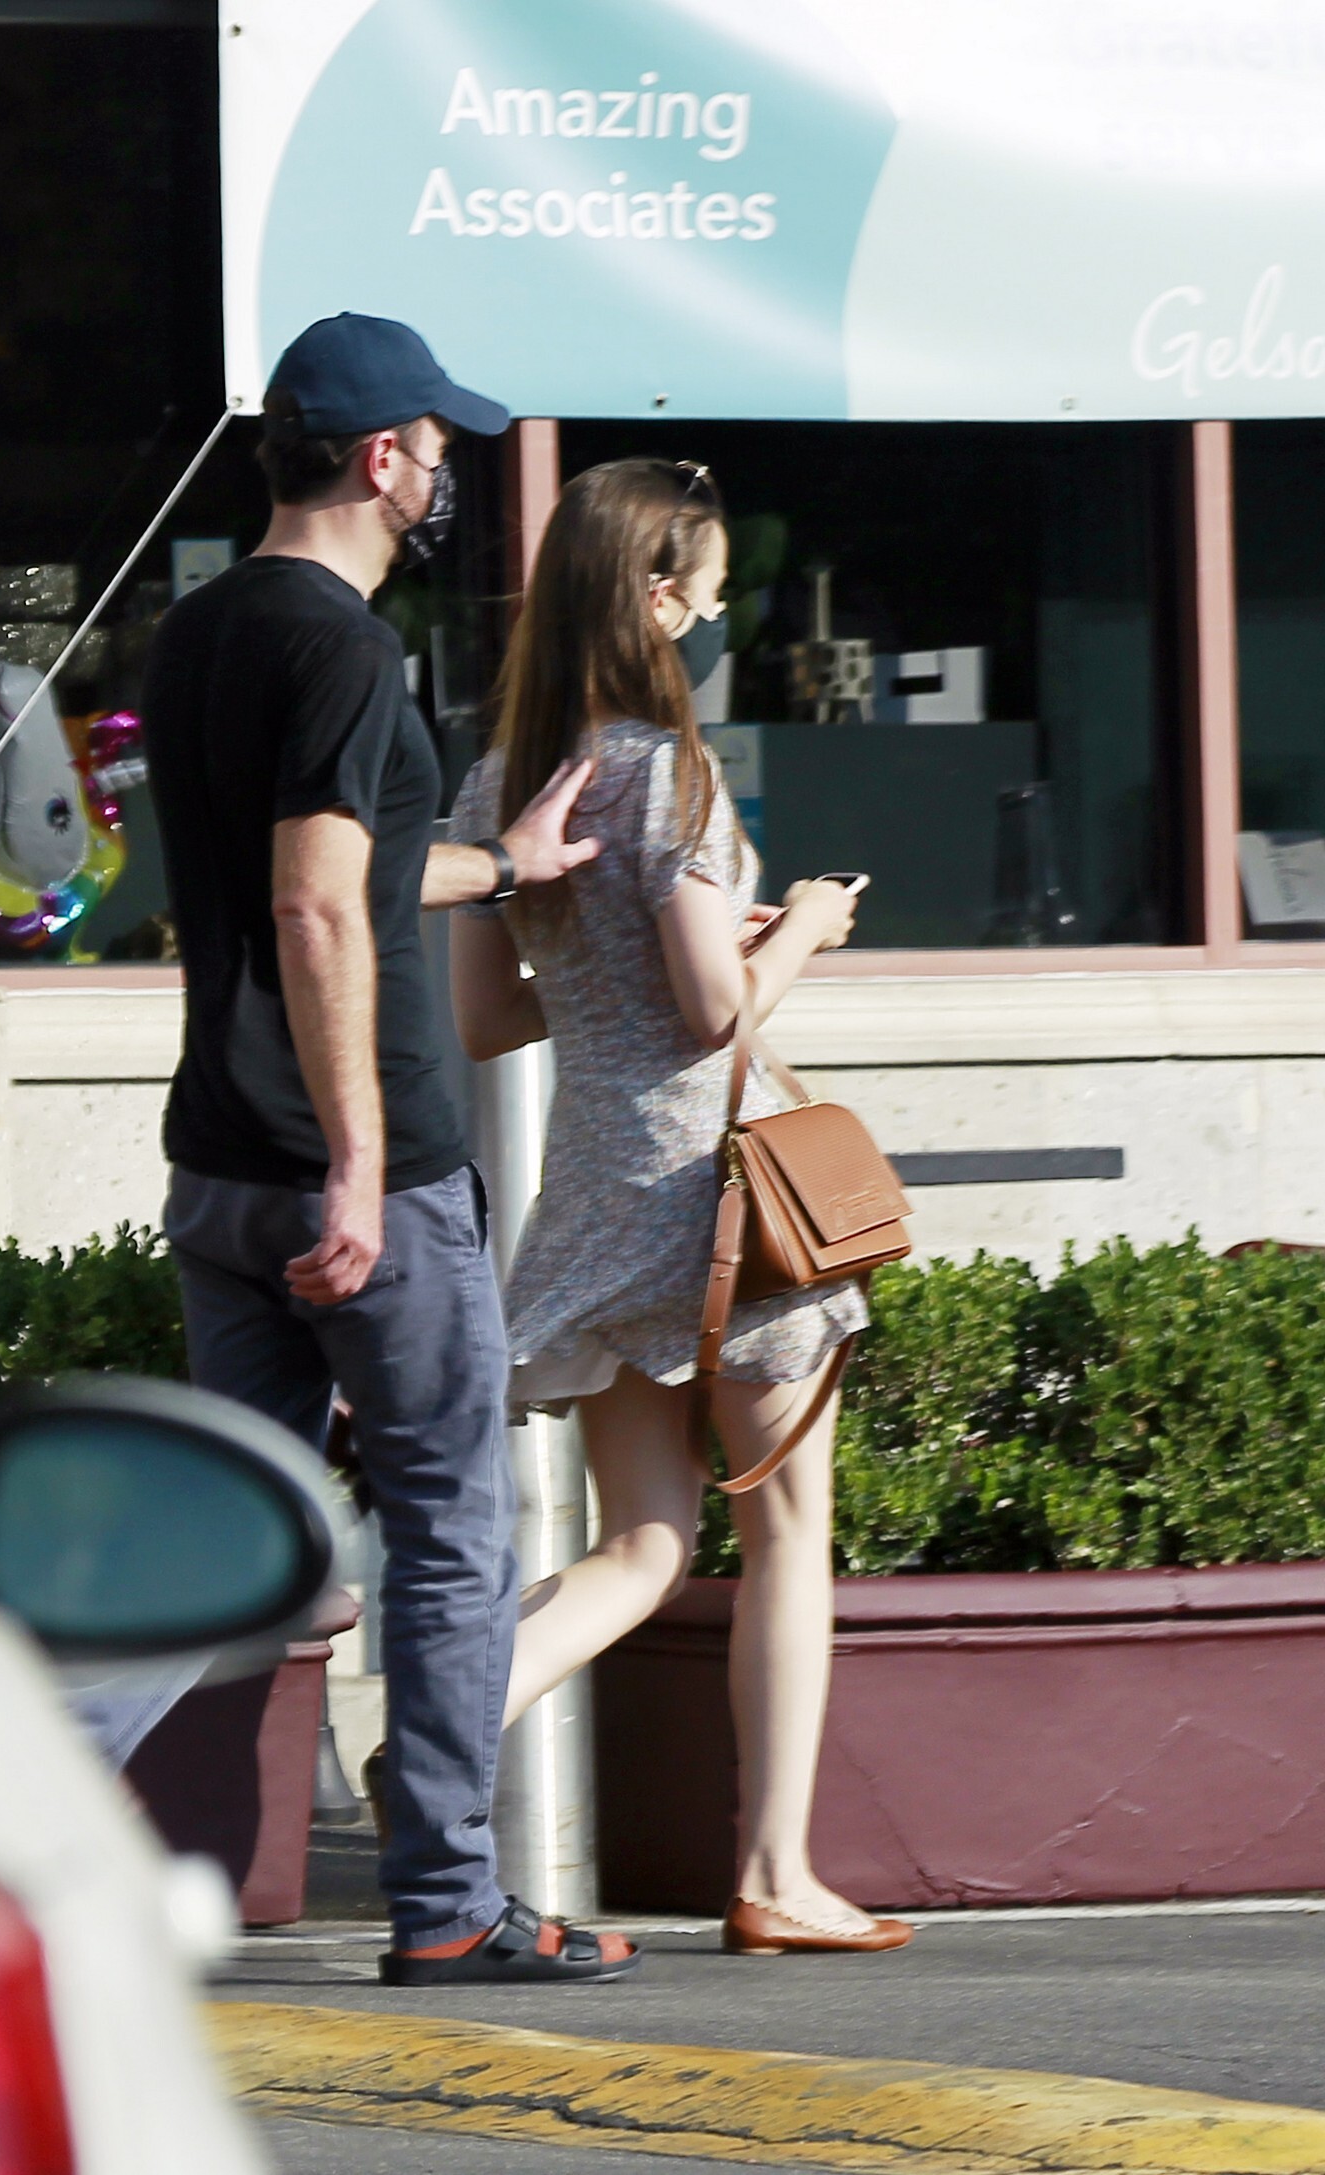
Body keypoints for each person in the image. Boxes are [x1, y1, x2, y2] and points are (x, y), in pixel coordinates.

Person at [142, 313, 639, 1985]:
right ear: (378, 460)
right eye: (435, 450)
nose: (445, 478)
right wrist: (359, 1162)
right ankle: (448, 1905)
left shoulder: (201, 630)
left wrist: (503, 866)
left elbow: (342, 871)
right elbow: (310, 906)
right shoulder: (345, 651)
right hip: (360, 1182)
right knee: (447, 1533)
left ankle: (33, 1850)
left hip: (218, 1164)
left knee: (227, 1549)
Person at [449, 457, 913, 1956]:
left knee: (643, 1546)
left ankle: (441, 1726)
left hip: (597, 1197)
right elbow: (717, 1016)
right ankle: (777, 1873)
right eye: (705, 598)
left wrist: (621, 979)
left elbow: (484, 1020)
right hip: (732, 1203)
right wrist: (810, 930)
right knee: (788, 1530)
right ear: (656, 597)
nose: (712, 623)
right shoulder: (676, 775)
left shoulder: (499, 784)